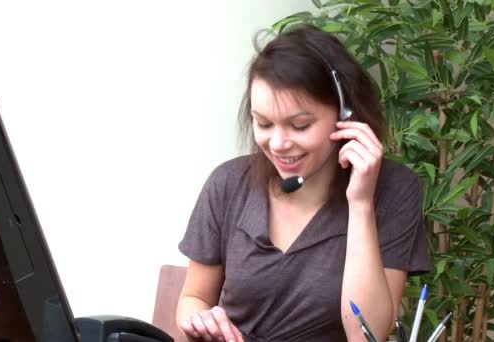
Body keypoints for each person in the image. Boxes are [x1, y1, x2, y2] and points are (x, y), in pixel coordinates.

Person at [176, 25, 430, 342]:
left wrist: (361, 203)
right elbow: (193, 298)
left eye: (300, 125)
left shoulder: (394, 189)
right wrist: (202, 320)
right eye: (264, 123)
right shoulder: (228, 183)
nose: (279, 144)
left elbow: (368, 335)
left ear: (346, 115)